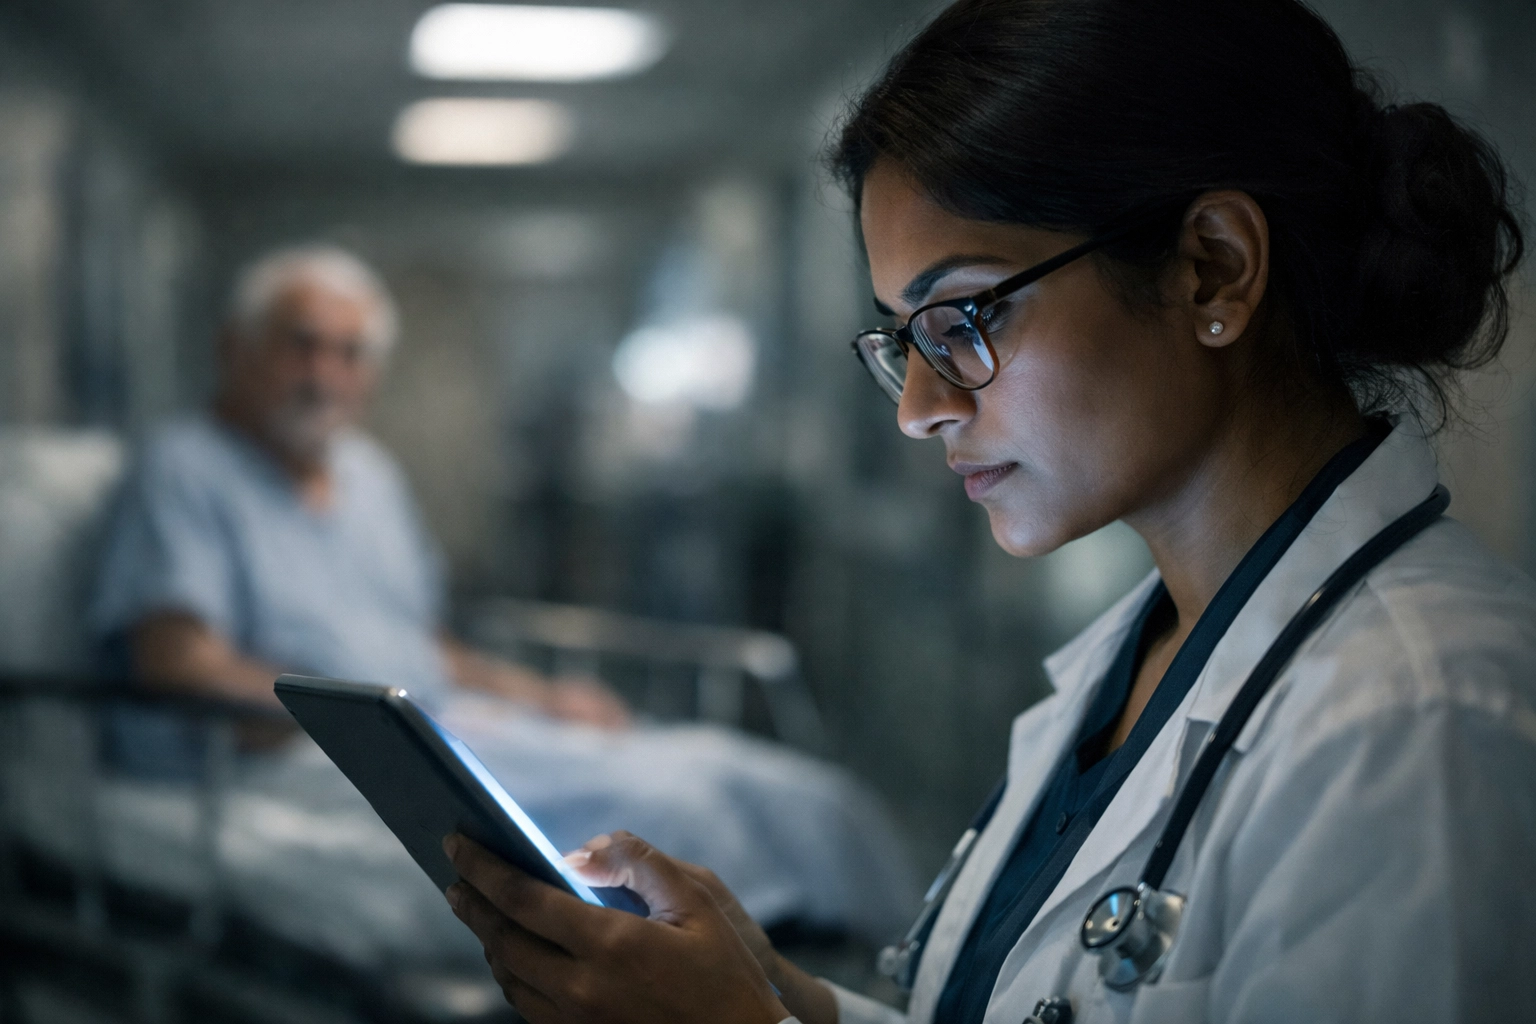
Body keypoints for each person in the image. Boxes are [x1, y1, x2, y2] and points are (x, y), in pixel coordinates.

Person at [434, 0, 1536, 1021]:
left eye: (964, 315)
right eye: (904, 340)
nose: (918, 409)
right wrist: (780, 997)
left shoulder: (1416, 722)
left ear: (1213, 270)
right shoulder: (1139, 663)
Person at [89, 245, 919, 961]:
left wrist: (543, 697)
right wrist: (368, 726)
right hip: (310, 751)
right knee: (671, 802)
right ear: (233, 348)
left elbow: (423, 643)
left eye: (349, 353)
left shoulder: (366, 476)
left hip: (427, 715)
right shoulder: (185, 472)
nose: (325, 375)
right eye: (300, 346)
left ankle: (900, 971)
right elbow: (176, 662)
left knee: (761, 777)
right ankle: (735, 974)